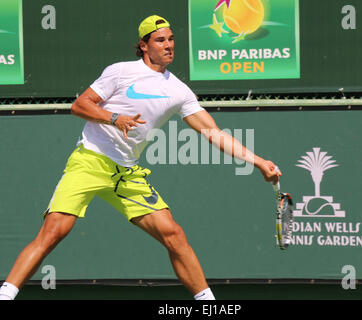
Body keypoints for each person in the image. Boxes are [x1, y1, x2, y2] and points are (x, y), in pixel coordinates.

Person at [0, 15, 281, 300]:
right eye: (160, 40)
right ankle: (6, 294)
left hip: (126, 173)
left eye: (171, 39)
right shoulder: (120, 72)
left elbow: (212, 132)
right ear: (144, 45)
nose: (168, 45)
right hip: (90, 160)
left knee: (173, 234)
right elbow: (80, 105)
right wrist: (114, 118)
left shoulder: (179, 91)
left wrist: (258, 161)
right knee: (54, 231)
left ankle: (207, 303)